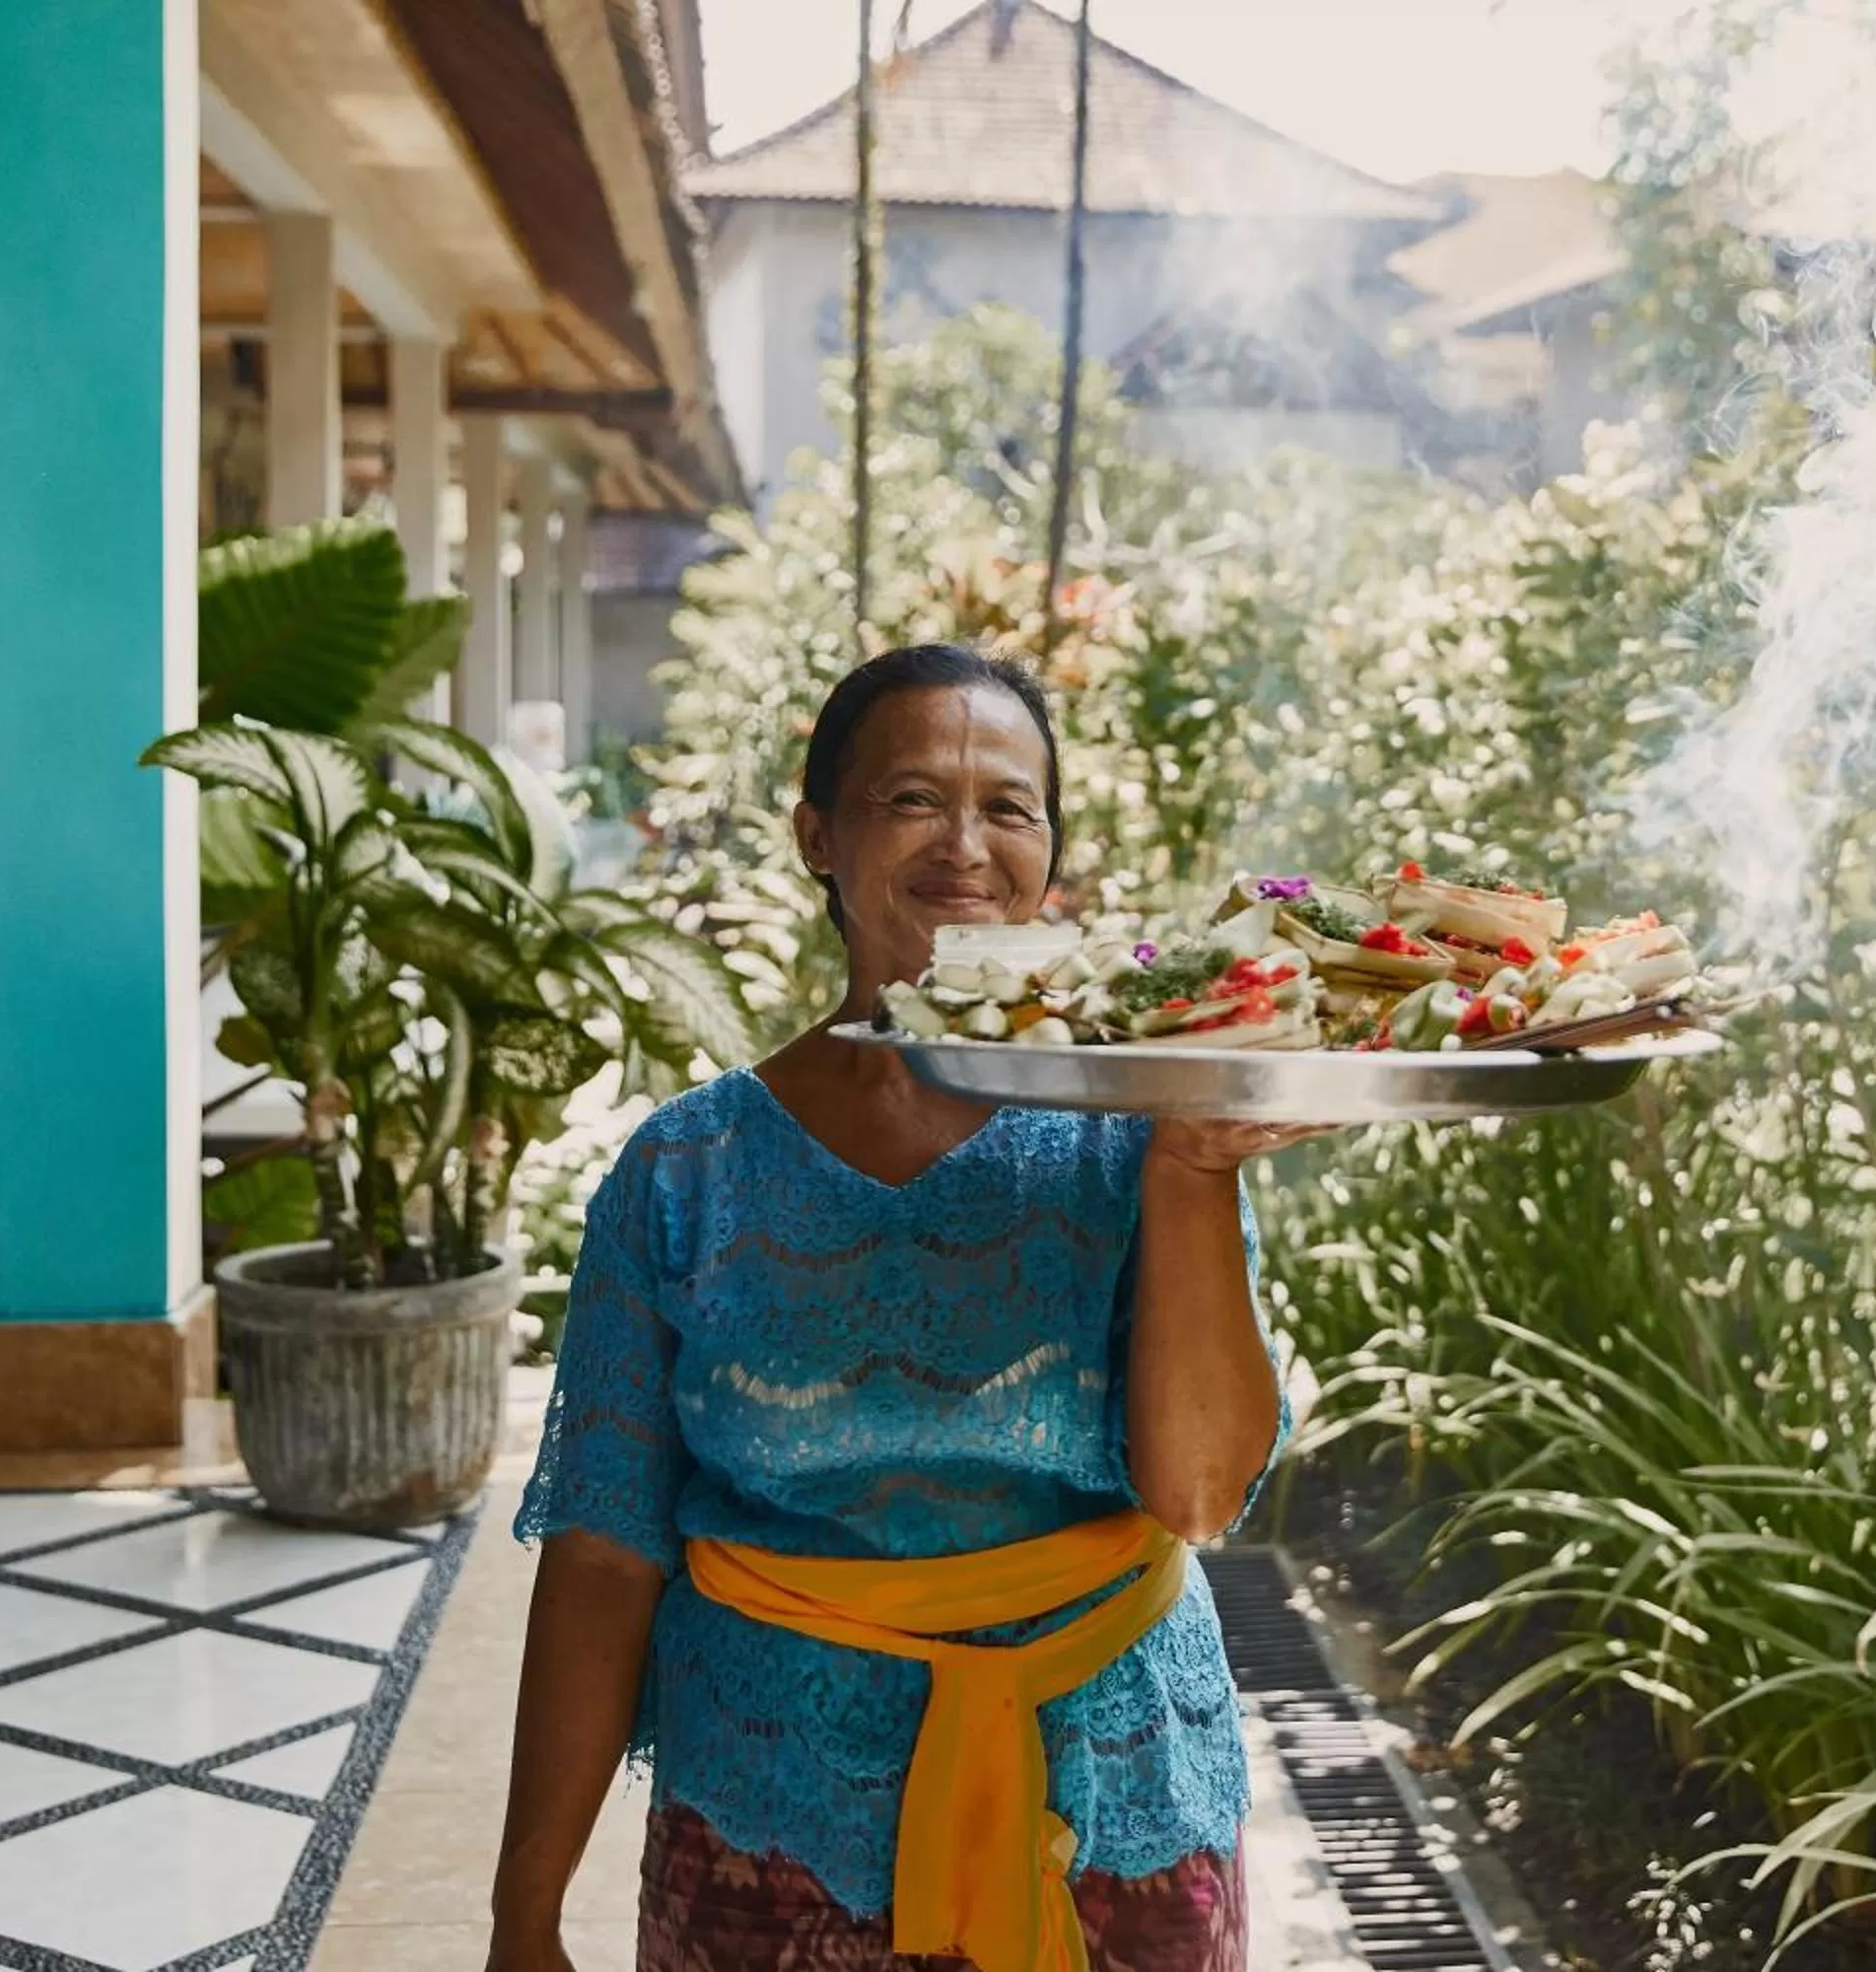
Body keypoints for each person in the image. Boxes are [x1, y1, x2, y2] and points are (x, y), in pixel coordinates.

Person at [486, 643, 1318, 1972]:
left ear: (1049, 847)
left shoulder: (1145, 1129)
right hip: (763, 1832)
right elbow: (601, 1557)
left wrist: (1192, 1170)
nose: (966, 846)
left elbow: (1203, 1495)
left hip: (1110, 1817)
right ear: (818, 835)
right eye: (913, 799)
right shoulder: (687, 1171)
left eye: (1009, 807)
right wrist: (523, 1914)